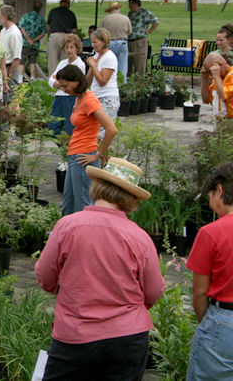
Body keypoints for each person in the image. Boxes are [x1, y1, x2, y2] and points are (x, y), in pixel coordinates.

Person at [35, 157, 164, 381]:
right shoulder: (140, 237)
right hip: (127, 337)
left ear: (97, 187)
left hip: (76, 334)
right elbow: (154, 291)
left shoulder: (68, 225)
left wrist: (57, 287)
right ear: (131, 199)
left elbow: (45, 275)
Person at [186, 161, 233, 380]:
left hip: (224, 320)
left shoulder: (210, 232)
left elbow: (199, 292)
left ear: (220, 190)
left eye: (210, 196)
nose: (211, 203)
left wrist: (206, 322)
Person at [55, 65, 117, 216]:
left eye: (65, 85)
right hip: (74, 156)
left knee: (83, 206)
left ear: (76, 81)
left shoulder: (89, 100)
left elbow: (111, 129)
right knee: (68, 204)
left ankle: (85, 238)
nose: (63, 89)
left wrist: (98, 155)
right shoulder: (79, 98)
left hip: (84, 156)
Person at [48, 34, 86, 138]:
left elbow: (73, 84)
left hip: (70, 98)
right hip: (59, 97)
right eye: (66, 47)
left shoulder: (79, 64)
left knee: (70, 128)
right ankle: (65, 146)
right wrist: (62, 83)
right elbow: (51, 81)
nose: (69, 50)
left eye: (71, 47)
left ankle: (69, 150)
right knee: (52, 127)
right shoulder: (62, 63)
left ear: (76, 48)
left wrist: (59, 83)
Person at [86, 27, 120, 137]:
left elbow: (102, 81)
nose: (93, 45)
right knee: (94, 130)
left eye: (95, 42)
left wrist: (93, 66)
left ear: (104, 42)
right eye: (92, 42)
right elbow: (88, 80)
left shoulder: (110, 57)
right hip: (96, 97)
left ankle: (102, 153)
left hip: (108, 98)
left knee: (102, 133)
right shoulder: (96, 56)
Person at [99, 2, 132, 81]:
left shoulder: (105, 19)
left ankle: (110, 81)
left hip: (110, 42)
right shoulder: (126, 18)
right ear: (118, 9)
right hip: (122, 42)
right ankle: (122, 84)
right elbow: (129, 32)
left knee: (109, 65)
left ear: (111, 10)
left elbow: (99, 32)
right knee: (122, 66)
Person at [127, 0, 159, 76]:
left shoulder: (145, 13)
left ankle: (140, 80)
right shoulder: (130, 13)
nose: (129, 6)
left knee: (139, 62)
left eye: (130, 5)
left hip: (139, 41)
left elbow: (156, 22)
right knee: (128, 63)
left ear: (136, 4)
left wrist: (149, 31)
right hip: (129, 40)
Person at [46, 0, 78, 75]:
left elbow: (48, 26)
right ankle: (63, 79)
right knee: (64, 61)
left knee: (52, 61)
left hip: (54, 36)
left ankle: (51, 81)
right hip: (66, 37)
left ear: (60, 3)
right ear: (68, 5)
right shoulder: (71, 14)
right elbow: (74, 30)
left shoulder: (53, 11)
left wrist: (48, 36)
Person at [0, 5, 22, 102]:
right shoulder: (3, 31)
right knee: (2, 98)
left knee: (11, 99)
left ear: (5, 16)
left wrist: (8, 77)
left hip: (10, 67)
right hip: (2, 67)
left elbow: (17, 58)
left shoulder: (14, 33)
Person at [18, 0, 47, 81]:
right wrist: (33, 40)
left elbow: (22, 28)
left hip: (25, 43)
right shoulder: (42, 20)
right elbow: (43, 34)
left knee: (22, 62)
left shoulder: (26, 16)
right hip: (35, 45)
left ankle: (20, 79)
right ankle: (33, 80)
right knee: (32, 62)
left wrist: (28, 39)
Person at [200, 52, 233, 119]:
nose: (211, 75)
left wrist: (217, 76)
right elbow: (206, 100)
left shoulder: (227, 76)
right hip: (220, 120)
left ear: (219, 65)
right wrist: (204, 79)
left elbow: (224, 97)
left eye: (211, 72)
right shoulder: (217, 78)